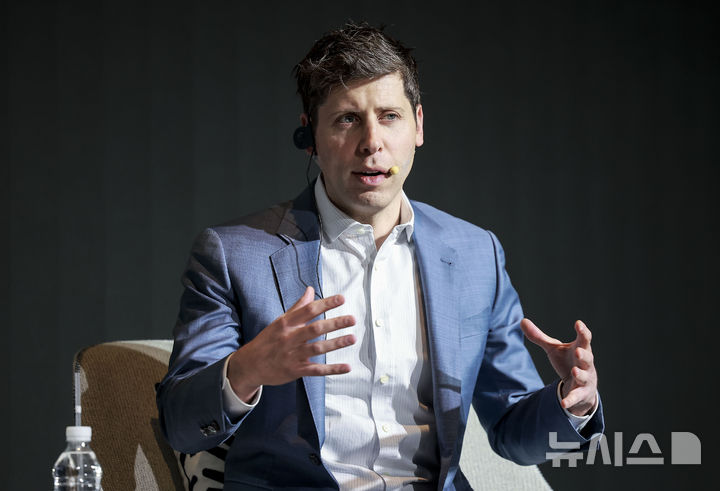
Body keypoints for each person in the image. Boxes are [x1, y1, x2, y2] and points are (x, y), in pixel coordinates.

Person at [157, 22, 603, 490]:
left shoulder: (475, 255)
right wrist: (249, 368)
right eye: (347, 119)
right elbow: (180, 425)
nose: (372, 142)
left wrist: (572, 400)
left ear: (418, 125)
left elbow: (515, 433)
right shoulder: (234, 254)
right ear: (309, 136)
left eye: (389, 116)